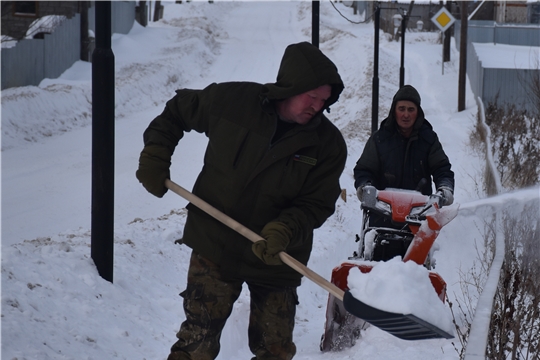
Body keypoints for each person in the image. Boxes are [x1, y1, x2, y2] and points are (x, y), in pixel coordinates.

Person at [135, 41, 347, 360]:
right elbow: (177, 111)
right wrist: (156, 152)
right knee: (197, 341)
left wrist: (285, 230)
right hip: (215, 241)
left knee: (274, 350)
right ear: (291, 86)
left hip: (277, 255)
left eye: (324, 101)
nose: (317, 106)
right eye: (312, 96)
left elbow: (317, 203)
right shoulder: (234, 101)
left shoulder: (328, 145)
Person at [353, 85, 454, 210]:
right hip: (382, 211)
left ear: (418, 112)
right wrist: (365, 186)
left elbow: (442, 168)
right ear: (394, 111)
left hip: (419, 213)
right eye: (401, 109)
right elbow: (364, 169)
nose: (406, 114)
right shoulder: (379, 139)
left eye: (411, 109)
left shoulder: (428, 139)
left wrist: (444, 188)